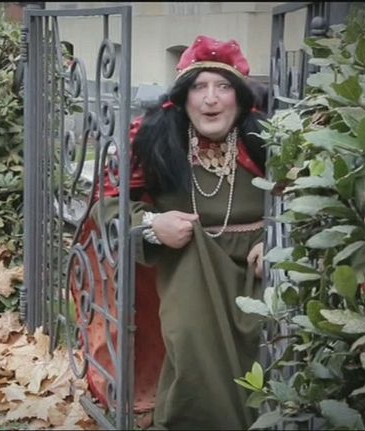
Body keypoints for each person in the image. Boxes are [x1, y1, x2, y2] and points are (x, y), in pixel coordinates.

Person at [72, 35, 268, 430]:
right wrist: (151, 225)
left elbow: (302, 202)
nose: (210, 99)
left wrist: (276, 240)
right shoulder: (155, 141)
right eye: (199, 87)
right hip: (188, 267)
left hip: (258, 268)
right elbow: (106, 206)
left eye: (223, 86)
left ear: (240, 97)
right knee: (191, 343)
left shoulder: (266, 142)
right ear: (183, 97)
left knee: (269, 352)